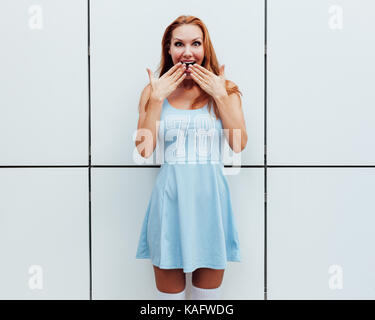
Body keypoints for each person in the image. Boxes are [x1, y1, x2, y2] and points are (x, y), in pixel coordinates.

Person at [135, 15, 248, 300]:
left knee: (205, 303)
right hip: (169, 202)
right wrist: (157, 99)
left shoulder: (226, 89)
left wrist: (220, 96)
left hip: (211, 203)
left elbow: (238, 144)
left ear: (205, 48)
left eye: (195, 43)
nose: (188, 51)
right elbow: (143, 149)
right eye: (179, 44)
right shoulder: (153, 90)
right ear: (169, 50)